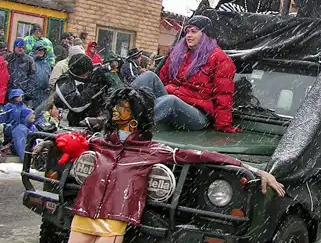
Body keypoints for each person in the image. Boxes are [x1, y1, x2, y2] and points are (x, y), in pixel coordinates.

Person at [33, 87, 285, 243]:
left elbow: (201, 155)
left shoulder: (152, 150)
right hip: (83, 212)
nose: (116, 112)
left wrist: (254, 169)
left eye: (124, 108)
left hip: (114, 219)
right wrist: (52, 142)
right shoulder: (101, 143)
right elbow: (74, 139)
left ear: (137, 116)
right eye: (116, 107)